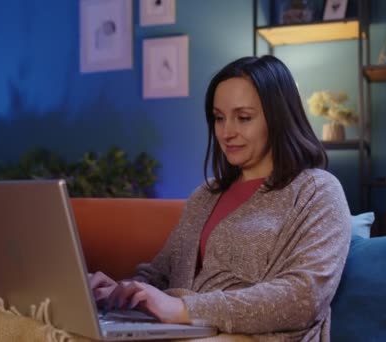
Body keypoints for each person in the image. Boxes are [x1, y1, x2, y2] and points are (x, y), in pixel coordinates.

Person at [89, 55, 351, 340]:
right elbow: (160, 273)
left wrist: (183, 308)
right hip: (182, 332)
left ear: (278, 119)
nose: (227, 132)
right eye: (219, 118)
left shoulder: (317, 190)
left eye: (244, 118)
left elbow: (305, 297)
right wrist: (122, 291)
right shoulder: (204, 195)